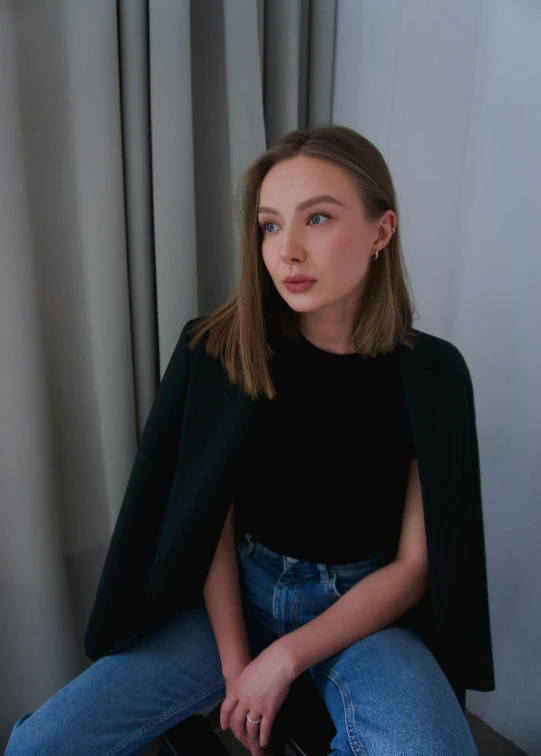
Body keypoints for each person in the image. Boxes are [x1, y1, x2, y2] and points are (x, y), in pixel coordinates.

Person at [6, 125, 494, 756]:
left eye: (316, 218)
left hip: (364, 617)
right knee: (41, 744)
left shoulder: (432, 375)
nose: (287, 250)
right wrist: (241, 667)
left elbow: (415, 566)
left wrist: (287, 657)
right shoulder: (219, 353)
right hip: (235, 601)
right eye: (269, 225)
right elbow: (208, 520)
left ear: (382, 231)